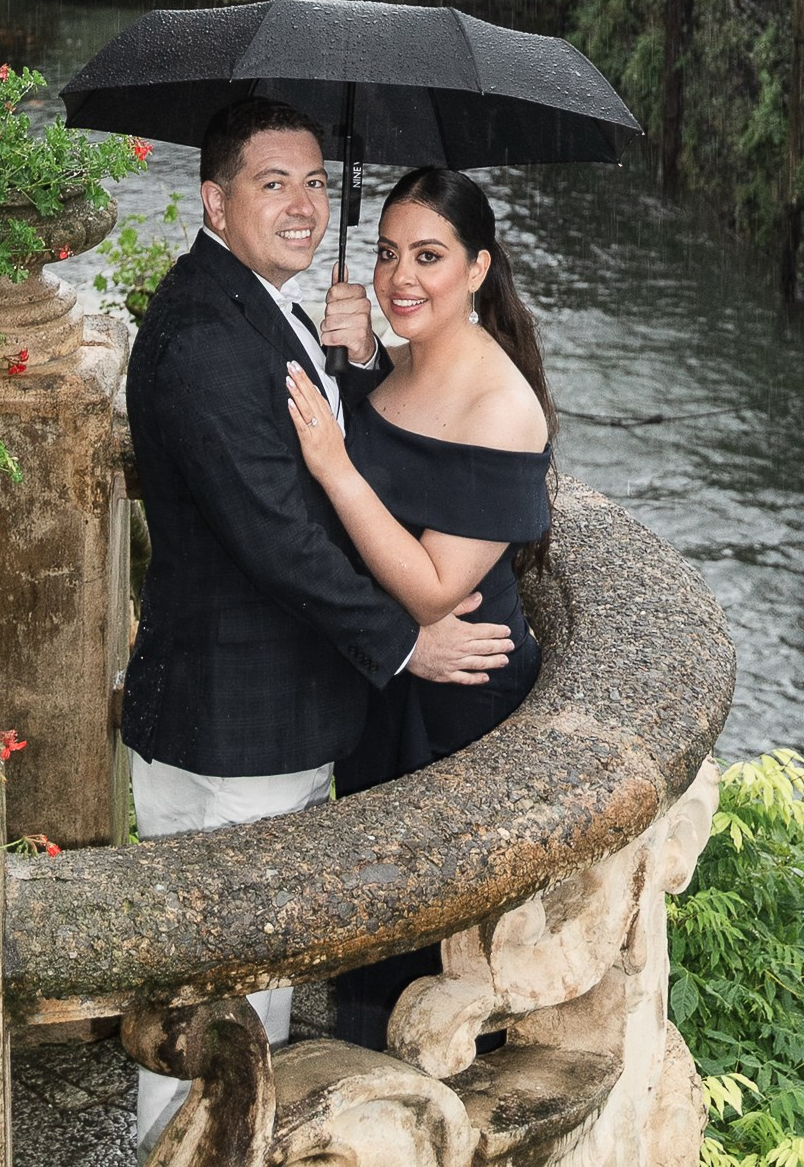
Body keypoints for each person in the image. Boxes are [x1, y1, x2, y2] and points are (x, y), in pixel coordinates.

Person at [120, 98, 517, 1145]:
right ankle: (179, 1150)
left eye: (312, 182)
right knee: (217, 1007)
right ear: (213, 198)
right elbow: (278, 532)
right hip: (235, 719)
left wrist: (350, 362)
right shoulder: (207, 336)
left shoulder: (268, 305)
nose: (302, 205)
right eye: (271, 183)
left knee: (232, 990)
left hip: (263, 711)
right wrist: (404, 640)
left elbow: (328, 464)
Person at [282, 165, 554, 1052]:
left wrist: (333, 462)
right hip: (393, 678)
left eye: (429, 257)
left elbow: (435, 586)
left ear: (477, 269)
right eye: (391, 252)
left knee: (438, 942)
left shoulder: (501, 404)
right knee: (376, 915)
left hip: (461, 698)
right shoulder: (403, 360)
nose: (402, 278)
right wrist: (361, 363)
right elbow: (399, 448)